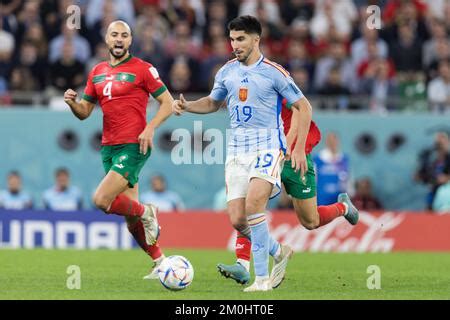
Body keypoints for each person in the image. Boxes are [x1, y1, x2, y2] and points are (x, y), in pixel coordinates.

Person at [173, 15, 358, 292]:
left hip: (271, 149)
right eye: (232, 39)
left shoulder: (274, 73)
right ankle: (278, 250)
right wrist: (188, 107)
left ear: (256, 39)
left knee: (291, 215)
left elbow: (303, 108)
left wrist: (295, 148)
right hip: (237, 152)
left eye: (241, 39)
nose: (235, 44)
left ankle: (261, 280)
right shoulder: (226, 71)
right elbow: (213, 102)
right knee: (238, 218)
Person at [63, 20, 174, 280]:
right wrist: (72, 103)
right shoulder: (97, 72)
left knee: (101, 200)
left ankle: (149, 211)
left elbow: (167, 103)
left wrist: (150, 128)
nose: (119, 39)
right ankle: (160, 262)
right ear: (106, 39)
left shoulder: (143, 69)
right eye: (114, 34)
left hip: (135, 144)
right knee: (128, 216)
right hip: (109, 147)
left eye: (124, 35)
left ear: (130, 40)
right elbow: (85, 113)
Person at [217, 99, 359, 286]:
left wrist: (291, 144)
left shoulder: (273, 79)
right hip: (265, 155)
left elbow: (301, 108)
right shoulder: (246, 82)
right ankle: (242, 264)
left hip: (294, 156)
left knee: (310, 220)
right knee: (248, 206)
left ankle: (343, 207)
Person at [415, 131, 450, 210]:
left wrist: (447, 178)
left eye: (442, 141)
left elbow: (445, 178)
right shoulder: (430, 160)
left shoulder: (448, 159)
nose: (439, 145)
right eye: (437, 143)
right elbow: (418, 177)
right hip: (433, 194)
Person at [313, 132, 351, 205]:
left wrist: (349, 195)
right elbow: (313, 179)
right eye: (330, 140)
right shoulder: (318, 159)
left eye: (334, 140)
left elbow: (348, 180)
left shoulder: (343, 159)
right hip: (322, 199)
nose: (332, 143)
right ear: (326, 142)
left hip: (339, 199)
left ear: (337, 142)